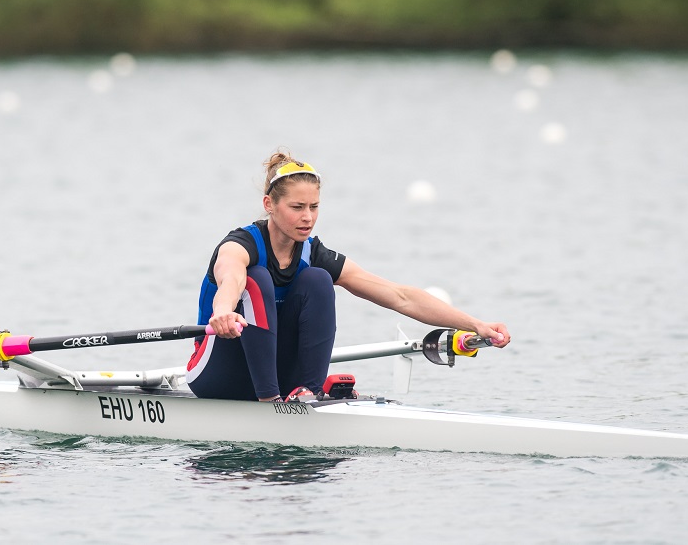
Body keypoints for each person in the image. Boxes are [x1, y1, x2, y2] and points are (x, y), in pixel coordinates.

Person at [186, 150, 510, 402]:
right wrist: (223, 312)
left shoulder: (313, 252)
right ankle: (271, 403)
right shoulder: (240, 245)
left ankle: (305, 393)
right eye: (297, 207)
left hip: (273, 372)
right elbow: (233, 280)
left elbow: (400, 296)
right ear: (269, 204)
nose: (308, 217)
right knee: (258, 278)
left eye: (314, 207)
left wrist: (474, 324)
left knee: (318, 280)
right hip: (218, 372)